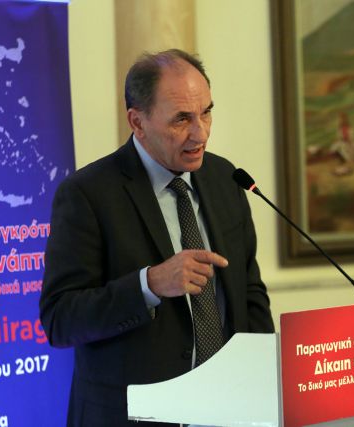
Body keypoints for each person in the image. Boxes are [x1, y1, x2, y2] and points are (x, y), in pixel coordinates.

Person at [39, 49, 274, 427]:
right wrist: (148, 284)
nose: (201, 133)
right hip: (132, 417)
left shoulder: (225, 178)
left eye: (206, 112)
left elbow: (249, 292)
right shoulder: (88, 194)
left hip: (226, 410)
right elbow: (60, 319)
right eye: (182, 119)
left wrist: (263, 384)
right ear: (138, 121)